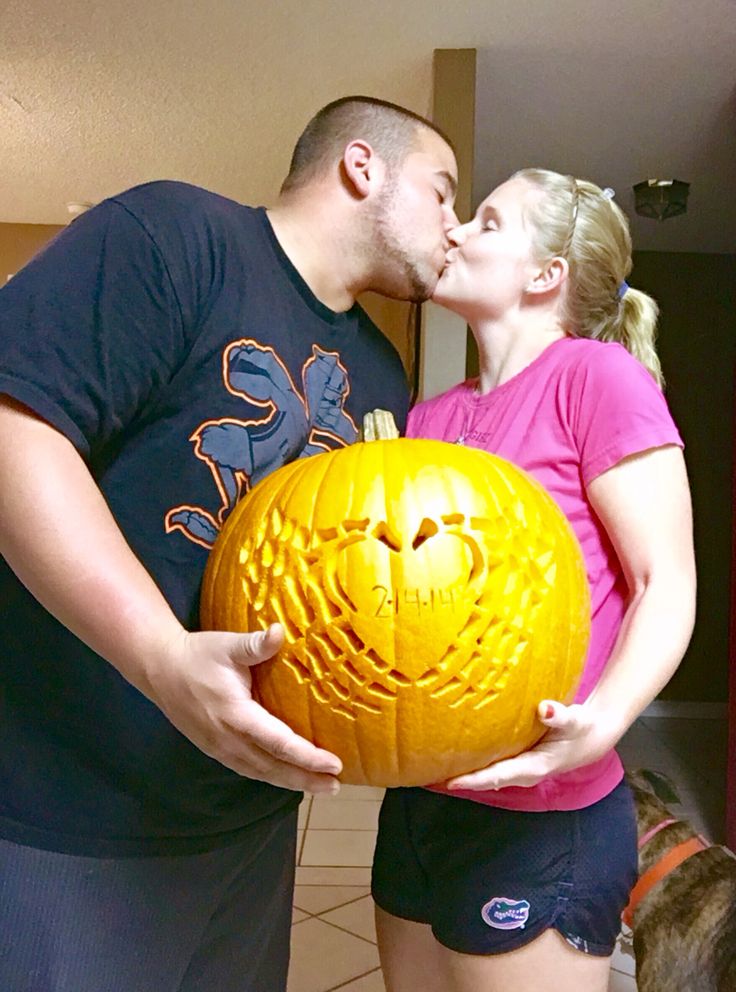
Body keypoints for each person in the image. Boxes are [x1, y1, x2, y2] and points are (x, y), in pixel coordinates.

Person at [0, 96, 458, 992]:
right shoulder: (173, 235)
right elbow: (18, 428)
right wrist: (162, 657)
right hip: (68, 809)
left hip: (246, 820)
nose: (456, 225)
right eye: (442, 193)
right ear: (363, 167)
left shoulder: (378, 372)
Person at [371, 169, 696, 992]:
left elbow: (666, 580)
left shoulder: (597, 378)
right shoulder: (431, 419)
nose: (456, 232)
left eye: (487, 220)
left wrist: (604, 720)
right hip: (420, 796)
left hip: (545, 813)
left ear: (546, 273)